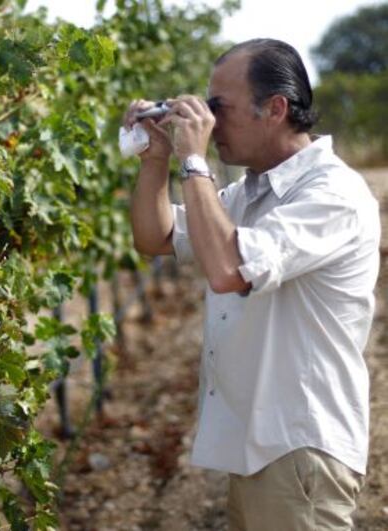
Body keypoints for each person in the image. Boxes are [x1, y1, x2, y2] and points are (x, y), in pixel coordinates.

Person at [125, 38, 381, 531]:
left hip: (298, 449)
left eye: (219, 107)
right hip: (261, 448)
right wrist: (155, 160)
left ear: (276, 108)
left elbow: (227, 270)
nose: (211, 122)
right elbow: (154, 238)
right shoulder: (250, 192)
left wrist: (194, 162)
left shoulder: (333, 193)